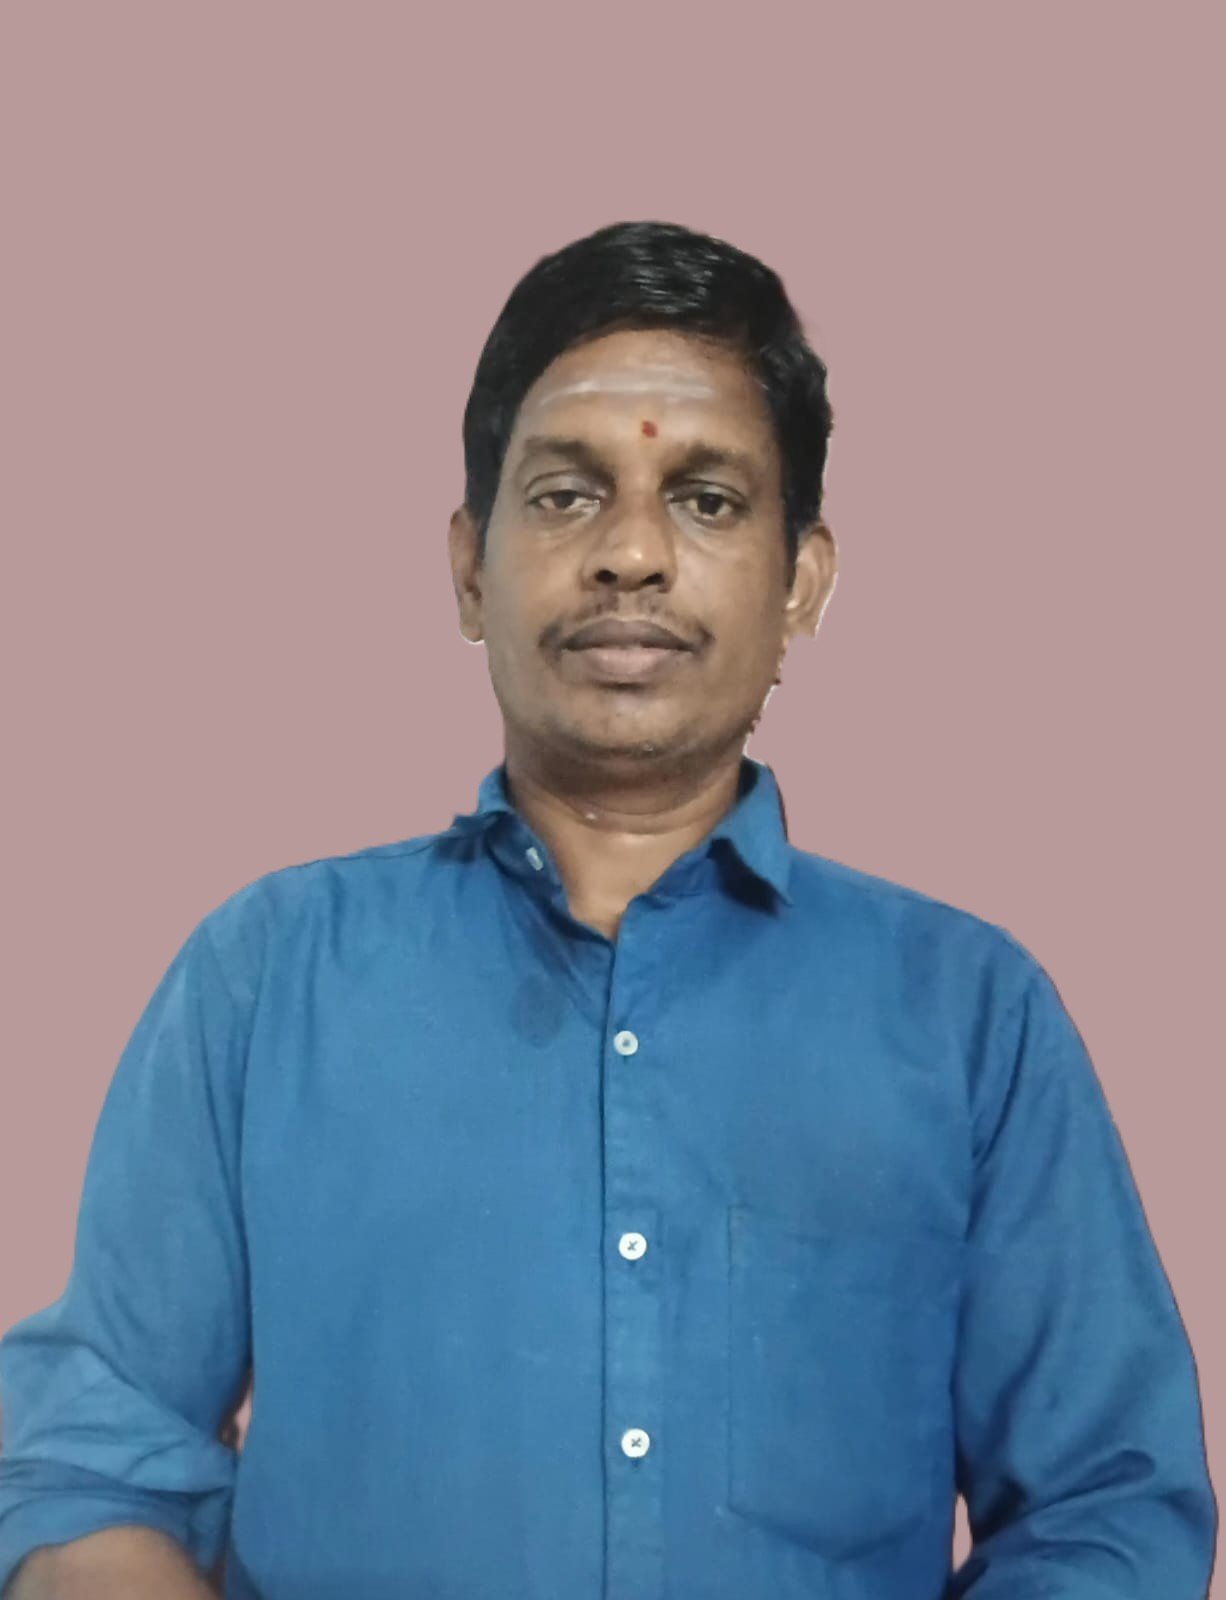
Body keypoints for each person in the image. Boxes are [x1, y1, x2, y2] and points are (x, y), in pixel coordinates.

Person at [0, 220, 1215, 1600]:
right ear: (470, 567)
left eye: (707, 500)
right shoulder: (269, 977)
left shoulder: (967, 1016)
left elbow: (1105, 1511)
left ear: (802, 580)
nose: (631, 554)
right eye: (568, 494)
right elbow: (87, 1461)